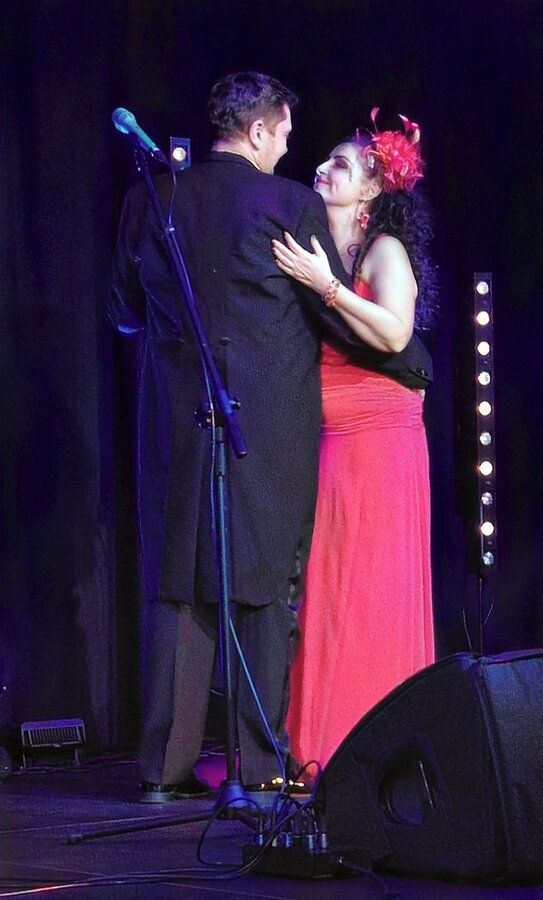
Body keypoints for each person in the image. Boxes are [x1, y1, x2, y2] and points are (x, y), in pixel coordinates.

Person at [109, 72, 380, 802]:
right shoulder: (288, 204)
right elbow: (330, 318)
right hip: (268, 422)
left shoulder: (150, 198)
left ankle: (162, 769)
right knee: (265, 586)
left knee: (178, 584)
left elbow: (123, 311)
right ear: (258, 131)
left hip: (174, 420)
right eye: (284, 133)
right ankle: (259, 766)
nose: (288, 147)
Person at [272, 109, 437, 771]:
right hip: (327, 436)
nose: (322, 168)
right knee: (325, 586)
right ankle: (318, 746)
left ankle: (371, 751)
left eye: (340, 164)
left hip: (378, 439)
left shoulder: (381, 251)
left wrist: (327, 287)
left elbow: (394, 333)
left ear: (371, 188)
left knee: (367, 588)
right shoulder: (315, 245)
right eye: (325, 159)